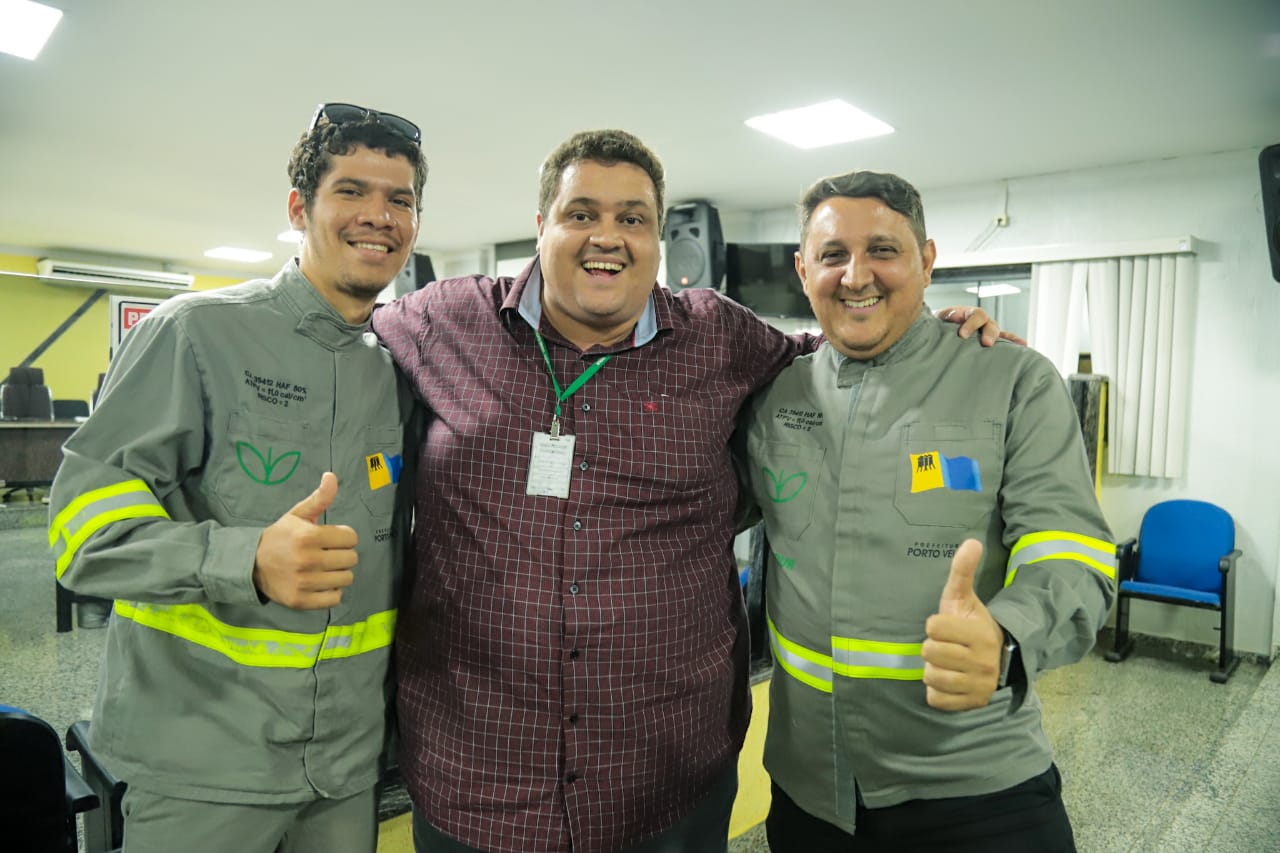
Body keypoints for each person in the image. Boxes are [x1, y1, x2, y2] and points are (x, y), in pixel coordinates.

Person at [372, 129, 1004, 853]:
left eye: (633, 218)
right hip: (478, 781)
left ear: (658, 239)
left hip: (666, 784)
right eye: (582, 213)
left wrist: (941, 333)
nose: (607, 236)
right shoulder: (440, 321)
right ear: (541, 225)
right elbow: (334, 327)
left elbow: (838, 351)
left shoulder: (720, 337)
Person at [47, 102, 427, 853]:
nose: (378, 215)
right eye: (351, 190)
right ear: (299, 208)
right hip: (201, 765)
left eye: (400, 198)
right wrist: (242, 557)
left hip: (344, 772)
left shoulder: (402, 368)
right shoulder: (192, 332)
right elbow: (81, 529)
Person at [739, 169, 1116, 853]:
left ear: (928, 259)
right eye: (832, 254)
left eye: (883, 249)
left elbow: (1074, 554)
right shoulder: (773, 394)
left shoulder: (1012, 379)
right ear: (802, 269)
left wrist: (1005, 636)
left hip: (974, 789)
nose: (857, 275)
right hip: (807, 789)